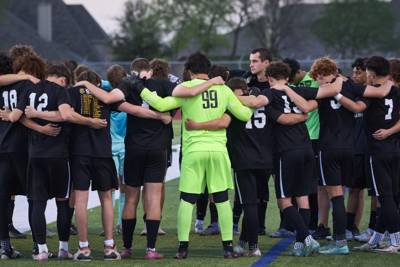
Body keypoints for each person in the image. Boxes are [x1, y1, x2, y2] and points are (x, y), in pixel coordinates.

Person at [137, 52, 253, 259]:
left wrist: (141, 90)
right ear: (208, 70)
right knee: (221, 199)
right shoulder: (223, 89)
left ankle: (183, 248)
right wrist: (230, 109)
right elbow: (244, 114)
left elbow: (162, 105)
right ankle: (227, 247)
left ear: (189, 71)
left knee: (187, 200)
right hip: (218, 150)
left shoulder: (187, 88)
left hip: (194, 151)